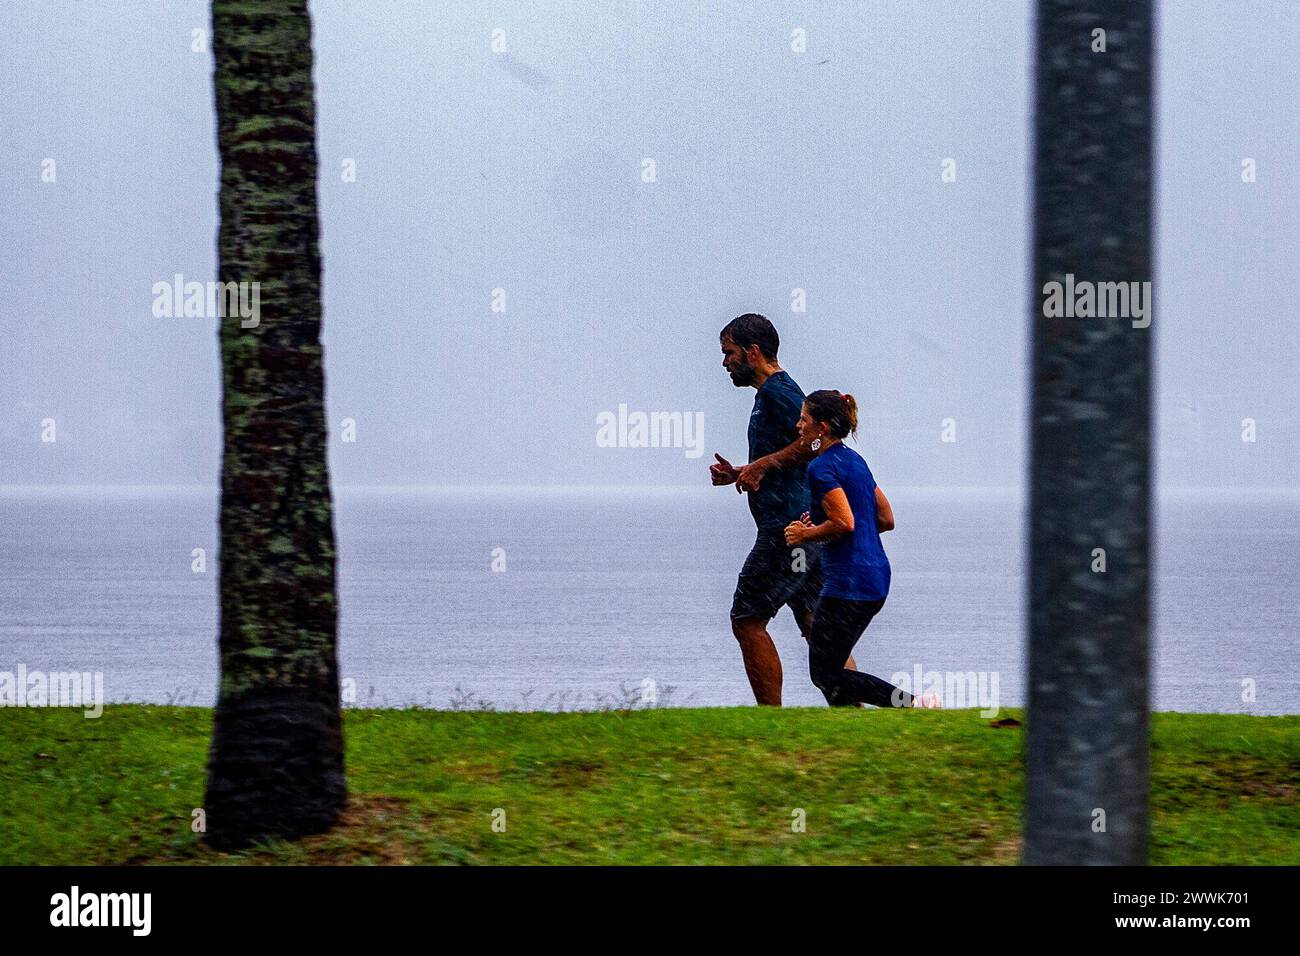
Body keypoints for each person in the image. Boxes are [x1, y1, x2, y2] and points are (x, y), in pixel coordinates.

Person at [710, 314, 861, 705]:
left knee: (747, 620)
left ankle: (771, 721)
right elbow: (791, 454)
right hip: (806, 531)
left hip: (787, 531)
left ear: (752, 351)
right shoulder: (773, 396)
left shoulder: (780, 394)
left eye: (729, 353)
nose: (725, 362)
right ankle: (853, 714)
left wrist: (763, 465)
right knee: (819, 627)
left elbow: (817, 442)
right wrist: (743, 472)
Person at [783, 389, 941, 709]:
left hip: (848, 582)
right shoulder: (856, 462)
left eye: (804, 419)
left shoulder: (820, 467)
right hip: (875, 578)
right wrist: (824, 522)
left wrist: (806, 534)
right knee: (832, 672)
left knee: (825, 674)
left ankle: (914, 704)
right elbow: (884, 517)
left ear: (822, 427)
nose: (798, 425)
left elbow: (845, 522)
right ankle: (854, 728)